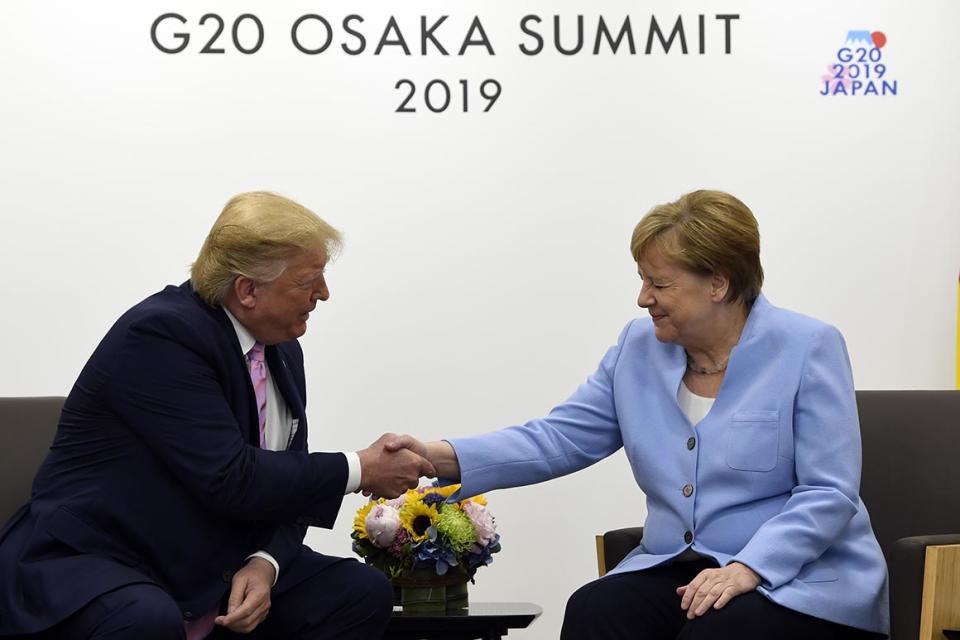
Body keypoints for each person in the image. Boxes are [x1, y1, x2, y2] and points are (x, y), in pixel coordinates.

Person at [397, 190, 889, 639]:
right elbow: (557, 439)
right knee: (597, 609)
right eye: (642, 281)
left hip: (800, 584)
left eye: (660, 283)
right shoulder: (638, 349)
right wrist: (437, 458)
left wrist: (748, 568)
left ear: (718, 283)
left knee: (716, 630)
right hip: (681, 572)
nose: (643, 298)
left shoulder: (808, 347)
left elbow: (828, 491)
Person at [0, 191, 435, 639]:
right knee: (145, 618)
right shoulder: (160, 336)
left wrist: (265, 564)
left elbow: (290, 482)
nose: (323, 294)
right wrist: (361, 468)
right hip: (105, 557)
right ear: (247, 290)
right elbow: (232, 476)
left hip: (211, 561)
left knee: (357, 591)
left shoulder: (283, 350)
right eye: (310, 280)